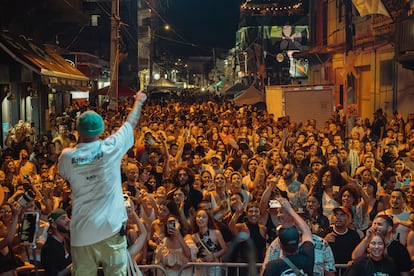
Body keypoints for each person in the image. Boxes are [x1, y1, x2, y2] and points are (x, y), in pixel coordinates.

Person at [57, 91, 147, 275]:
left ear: (78, 131)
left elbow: (64, 174)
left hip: (82, 233)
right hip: (110, 230)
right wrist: (138, 101)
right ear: (101, 130)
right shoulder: (110, 148)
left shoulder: (66, 156)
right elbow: (131, 123)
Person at [262, 197, 315, 276]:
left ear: (280, 245)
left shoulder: (272, 266)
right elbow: (306, 231)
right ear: (298, 243)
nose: (279, 215)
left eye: (282, 212)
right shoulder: (307, 258)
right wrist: (289, 209)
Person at [41, 208, 72, 276]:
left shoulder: (66, 241)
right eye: (63, 218)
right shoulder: (49, 248)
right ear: (54, 225)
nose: (68, 220)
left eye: (67, 217)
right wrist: (74, 265)